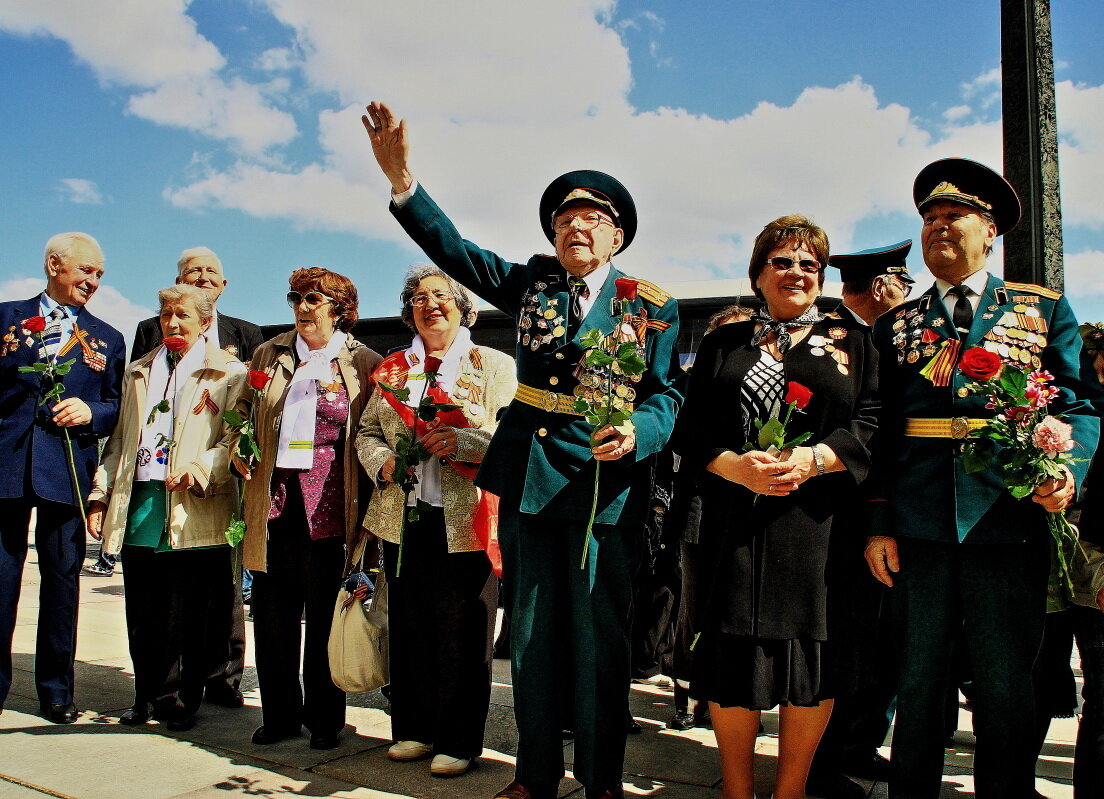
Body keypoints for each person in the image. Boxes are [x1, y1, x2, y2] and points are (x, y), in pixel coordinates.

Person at [362, 101, 685, 799]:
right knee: (532, 636)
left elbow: (666, 395)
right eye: (565, 218)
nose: (576, 226)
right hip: (535, 476)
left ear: (617, 235)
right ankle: (534, 778)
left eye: (592, 217)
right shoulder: (533, 284)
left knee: (599, 642)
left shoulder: (650, 304)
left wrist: (639, 433)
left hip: (607, 484)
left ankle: (600, 781)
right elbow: (457, 253)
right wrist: (404, 182)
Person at [863, 158, 1100, 799]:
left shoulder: (1040, 310)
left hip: (1009, 518)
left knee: (1005, 681)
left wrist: (1067, 473)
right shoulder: (895, 326)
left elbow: (1077, 405)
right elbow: (880, 433)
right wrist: (881, 522)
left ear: (989, 230)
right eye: (929, 218)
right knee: (918, 678)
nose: (939, 226)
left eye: (954, 216)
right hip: (921, 525)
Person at [680, 215, 878, 799]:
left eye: (809, 264)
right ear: (759, 273)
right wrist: (732, 466)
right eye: (783, 261)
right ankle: (738, 791)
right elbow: (691, 431)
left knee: (813, 664)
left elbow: (872, 423)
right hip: (734, 526)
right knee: (733, 660)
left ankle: (789, 791)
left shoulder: (854, 340)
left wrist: (818, 458)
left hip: (819, 529)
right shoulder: (723, 343)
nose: (796, 272)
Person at [355, 265, 517, 776]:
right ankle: (413, 729)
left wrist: (464, 442)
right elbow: (365, 432)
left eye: (441, 295)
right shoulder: (396, 368)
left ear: (463, 306)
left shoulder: (492, 364)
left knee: (464, 631)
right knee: (409, 626)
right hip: (404, 518)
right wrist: (380, 459)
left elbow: (513, 435)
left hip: (467, 519)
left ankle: (459, 740)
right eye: (419, 298)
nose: (430, 305)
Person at [88, 245, 263, 708]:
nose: (172, 324)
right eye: (166, 315)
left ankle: (190, 696)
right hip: (143, 500)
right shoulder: (139, 373)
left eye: (182, 316)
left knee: (197, 609)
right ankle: (151, 694)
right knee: (145, 607)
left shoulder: (230, 372)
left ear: (206, 321)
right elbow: (122, 440)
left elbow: (237, 438)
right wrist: (101, 494)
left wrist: (201, 468)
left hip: (197, 504)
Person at [234, 267, 381, 751]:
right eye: (295, 297)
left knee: (325, 617)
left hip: (333, 509)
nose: (302, 307)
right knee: (273, 616)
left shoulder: (365, 362)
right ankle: (279, 716)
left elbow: (372, 433)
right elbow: (245, 413)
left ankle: (324, 719)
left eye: (313, 298)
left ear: (339, 307)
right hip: (276, 505)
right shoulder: (269, 352)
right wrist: (240, 444)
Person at [0, 232, 126, 723]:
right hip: (6, 466)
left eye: (99, 274)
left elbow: (118, 407)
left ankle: (56, 690)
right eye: (86, 271)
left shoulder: (106, 337)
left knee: (61, 583)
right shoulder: (6, 318)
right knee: (1, 582)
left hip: (67, 473)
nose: (93, 281)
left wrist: (90, 410)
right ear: (55, 265)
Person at [807, 241, 915, 798]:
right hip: (835, 515)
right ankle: (819, 764)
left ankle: (855, 744)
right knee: (838, 644)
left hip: (877, 513)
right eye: (905, 284)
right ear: (882, 287)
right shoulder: (829, 334)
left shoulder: (877, 336)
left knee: (877, 643)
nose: (908, 296)